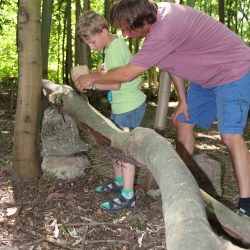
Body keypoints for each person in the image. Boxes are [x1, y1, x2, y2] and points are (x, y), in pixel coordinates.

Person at [74, 0, 250, 217]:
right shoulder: (158, 20)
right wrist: (183, 100)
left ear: (144, 22)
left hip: (234, 71)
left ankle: (246, 202)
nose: (126, 35)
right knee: (183, 122)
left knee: (230, 136)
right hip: (205, 80)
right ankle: (178, 181)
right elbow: (172, 64)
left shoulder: (166, 28)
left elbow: (128, 73)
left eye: (128, 29)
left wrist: (92, 77)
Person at [75, 10, 146, 211]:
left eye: (92, 41)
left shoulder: (114, 48)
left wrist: (93, 83)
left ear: (104, 31)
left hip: (129, 107)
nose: (91, 46)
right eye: (87, 43)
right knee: (115, 147)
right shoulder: (113, 45)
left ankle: (128, 195)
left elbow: (115, 84)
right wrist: (102, 70)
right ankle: (119, 181)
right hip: (122, 106)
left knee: (125, 150)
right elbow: (116, 68)